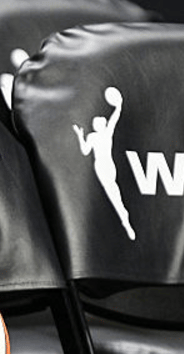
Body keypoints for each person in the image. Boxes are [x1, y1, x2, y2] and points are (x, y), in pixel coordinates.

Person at [73, 86, 136, 240]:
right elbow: (85, 151)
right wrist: (80, 135)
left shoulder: (106, 134)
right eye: (98, 121)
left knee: (113, 193)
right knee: (107, 195)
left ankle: (124, 219)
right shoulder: (96, 136)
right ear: (96, 125)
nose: (100, 122)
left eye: (101, 121)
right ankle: (123, 219)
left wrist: (119, 107)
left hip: (107, 167)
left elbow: (114, 120)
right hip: (100, 168)